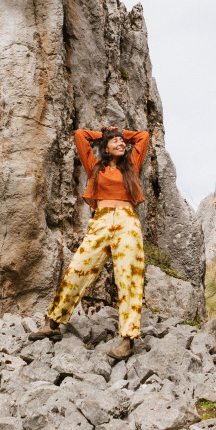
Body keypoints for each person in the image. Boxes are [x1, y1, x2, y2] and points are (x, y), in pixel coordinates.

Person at [29, 125, 149, 359]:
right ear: (104, 147)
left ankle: (128, 339)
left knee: (129, 278)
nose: (121, 143)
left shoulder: (132, 164)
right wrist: (104, 135)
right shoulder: (95, 167)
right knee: (78, 269)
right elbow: (80, 135)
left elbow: (143, 137)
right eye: (114, 142)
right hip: (101, 221)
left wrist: (120, 134)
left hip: (127, 222)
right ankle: (52, 323)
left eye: (122, 141)